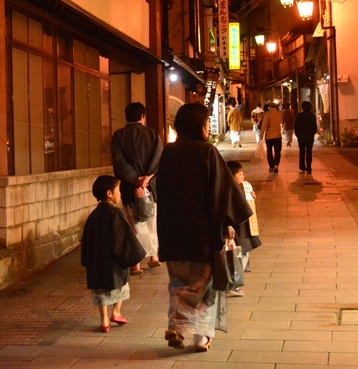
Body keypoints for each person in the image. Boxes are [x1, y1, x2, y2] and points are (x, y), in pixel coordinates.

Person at [156, 103, 253, 352]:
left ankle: (177, 327)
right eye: (206, 120)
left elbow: (161, 191)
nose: (209, 124)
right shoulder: (206, 152)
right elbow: (223, 192)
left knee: (179, 282)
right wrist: (229, 222)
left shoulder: (168, 152)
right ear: (197, 124)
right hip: (201, 233)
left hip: (172, 231)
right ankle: (197, 337)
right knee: (202, 285)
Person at [81, 175, 146, 333]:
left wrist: (87, 259)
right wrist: (132, 258)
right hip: (112, 262)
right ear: (109, 193)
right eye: (118, 190)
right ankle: (116, 312)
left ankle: (104, 321)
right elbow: (122, 238)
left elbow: (86, 240)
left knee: (100, 291)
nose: (120, 193)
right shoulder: (115, 213)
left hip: (97, 261)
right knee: (122, 285)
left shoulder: (93, 215)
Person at [111, 102, 163, 274]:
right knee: (151, 220)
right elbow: (158, 158)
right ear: (143, 116)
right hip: (150, 186)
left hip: (128, 187)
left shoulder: (119, 136)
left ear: (127, 116)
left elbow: (119, 162)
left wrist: (134, 179)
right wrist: (147, 177)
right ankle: (153, 257)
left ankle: (135, 264)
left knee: (132, 223)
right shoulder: (152, 134)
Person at [225, 161, 262, 297]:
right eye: (239, 174)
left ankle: (234, 282)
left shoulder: (242, 187)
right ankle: (233, 283)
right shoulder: (227, 190)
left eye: (242, 174)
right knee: (238, 254)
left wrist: (251, 198)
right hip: (236, 227)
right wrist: (228, 225)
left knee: (243, 253)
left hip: (244, 227)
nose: (243, 177)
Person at [294, 101, 318, 174]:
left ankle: (302, 166)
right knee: (309, 152)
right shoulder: (312, 116)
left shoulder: (299, 116)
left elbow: (296, 126)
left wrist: (297, 135)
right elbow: (315, 127)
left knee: (302, 151)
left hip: (301, 136)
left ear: (302, 107)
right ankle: (309, 167)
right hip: (309, 137)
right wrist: (312, 134)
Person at [259, 102, 283, 173]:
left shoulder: (268, 114)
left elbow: (264, 126)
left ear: (270, 107)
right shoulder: (279, 114)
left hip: (269, 136)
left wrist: (261, 136)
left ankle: (271, 166)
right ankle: (276, 164)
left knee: (269, 151)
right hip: (278, 136)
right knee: (277, 151)